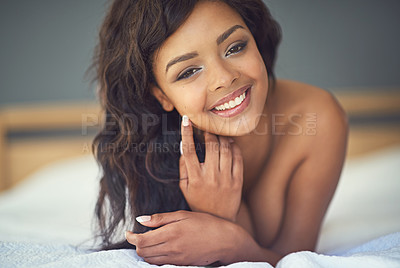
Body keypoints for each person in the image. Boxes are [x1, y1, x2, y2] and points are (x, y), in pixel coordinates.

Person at [90, 0, 348, 266]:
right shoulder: (153, 150)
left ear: (256, 40)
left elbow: (297, 260)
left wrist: (231, 241)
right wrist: (215, 214)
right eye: (189, 71)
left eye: (235, 47)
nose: (223, 78)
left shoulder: (317, 118)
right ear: (162, 96)